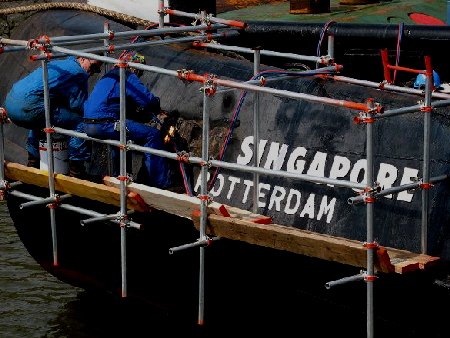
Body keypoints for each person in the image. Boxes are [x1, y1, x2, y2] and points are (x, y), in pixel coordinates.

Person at [83, 51, 171, 189]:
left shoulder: (108, 76)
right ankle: (159, 184)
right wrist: (156, 106)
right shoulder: (127, 75)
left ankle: (122, 176)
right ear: (134, 67)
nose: (139, 75)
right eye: (140, 71)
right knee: (152, 135)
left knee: (121, 140)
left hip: (89, 124)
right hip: (105, 123)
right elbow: (147, 100)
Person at [4, 55, 103, 178]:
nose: (92, 72)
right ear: (82, 59)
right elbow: (77, 106)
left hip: (10, 104)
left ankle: (33, 164)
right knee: (81, 124)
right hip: (29, 108)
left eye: (97, 70)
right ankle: (77, 171)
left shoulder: (58, 64)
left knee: (40, 121)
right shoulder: (79, 73)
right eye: (93, 67)